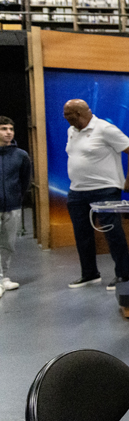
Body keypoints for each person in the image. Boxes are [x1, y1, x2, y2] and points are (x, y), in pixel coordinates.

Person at [63, 99, 129, 290]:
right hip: (77, 191)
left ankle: (123, 275)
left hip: (105, 189)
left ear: (79, 114)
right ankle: (89, 274)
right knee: (82, 235)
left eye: (67, 115)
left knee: (113, 233)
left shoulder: (105, 129)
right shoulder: (72, 131)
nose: (65, 118)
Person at [0, 116, 32, 298]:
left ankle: (4, 277)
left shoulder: (21, 155)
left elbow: (25, 180)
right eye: (3, 128)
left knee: (8, 244)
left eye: (10, 129)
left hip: (12, 206)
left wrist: (17, 198)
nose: (8, 132)